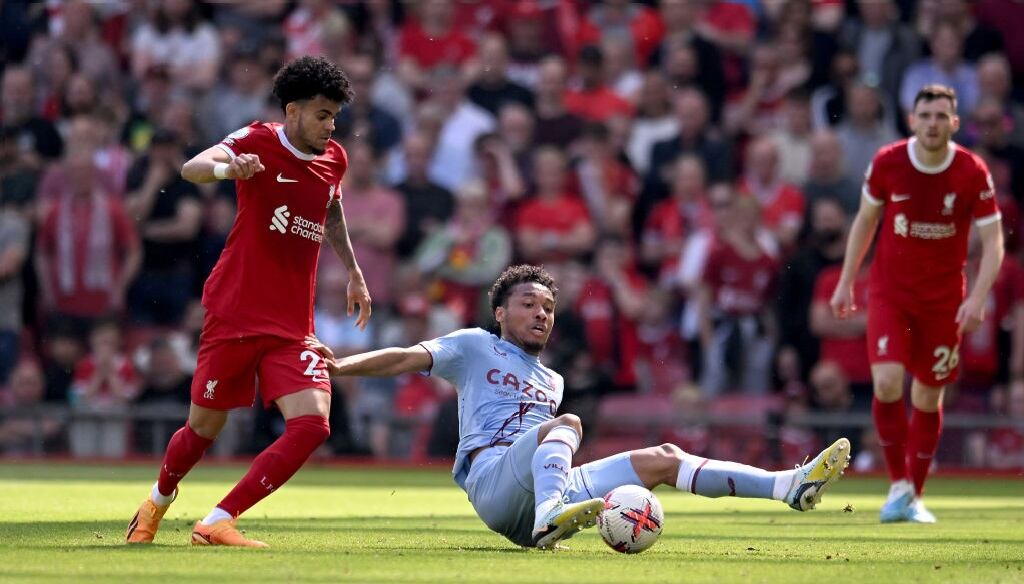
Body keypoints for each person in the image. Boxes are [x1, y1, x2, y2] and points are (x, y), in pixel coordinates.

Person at [307, 265, 850, 550]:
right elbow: (404, 356)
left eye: (549, 307)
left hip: (541, 493)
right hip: (492, 481)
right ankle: (551, 517)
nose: (542, 314)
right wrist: (342, 366)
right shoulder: (472, 344)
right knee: (564, 426)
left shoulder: (553, 379)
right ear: (500, 312)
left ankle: (788, 486)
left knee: (661, 456)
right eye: (529, 304)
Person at [125, 56, 372, 548]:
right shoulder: (258, 138)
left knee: (313, 424)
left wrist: (353, 269)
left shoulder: (335, 158)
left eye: (335, 116)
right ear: (293, 110)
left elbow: (332, 207)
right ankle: (157, 500)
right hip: (235, 312)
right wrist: (227, 168)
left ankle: (218, 520)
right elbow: (191, 167)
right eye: (322, 114)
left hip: (291, 323)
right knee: (202, 431)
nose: (330, 125)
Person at [830, 84, 1004, 524]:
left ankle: (916, 493)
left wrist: (979, 298)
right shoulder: (888, 162)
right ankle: (897, 486)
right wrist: (848, 280)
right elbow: (865, 221)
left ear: (954, 123)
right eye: (925, 115)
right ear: (912, 121)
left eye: (941, 116)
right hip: (891, 292)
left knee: (928, 396)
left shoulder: (970, 171)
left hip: (945, 300)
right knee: (887, 383)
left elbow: (994, 241)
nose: (932, 123)